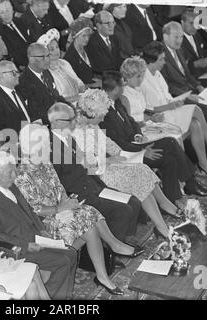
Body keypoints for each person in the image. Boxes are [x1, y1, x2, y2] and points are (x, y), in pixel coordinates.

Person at [15, 123, 146, 295]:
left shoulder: (45, 163)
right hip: (44, 224)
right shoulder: (22, 174)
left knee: (87, 216)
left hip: (60, 212)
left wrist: (68, 203)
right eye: (46, 143)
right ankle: (111, 252)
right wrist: (60, 208)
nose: (49, 147)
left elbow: (59, 189)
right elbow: (33, 210)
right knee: (88, 219)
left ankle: (103, 273)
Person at [73, 89, 182, 238]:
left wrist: (128, 155)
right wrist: (109, 160)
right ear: (92, 113)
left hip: (106, 167)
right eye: (102, 115)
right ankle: (164, 219)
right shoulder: (75, 131)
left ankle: (163, 216)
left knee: (141, 169)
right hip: (94, 176)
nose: (103, 118)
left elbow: (109, 144)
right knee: (137, 176)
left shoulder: (92, 124)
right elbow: (84, 165)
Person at [0, 151, 78, 300]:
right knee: (62, 262)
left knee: (71, 253)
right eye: (10, 172)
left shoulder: (11, 186)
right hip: (17, 247)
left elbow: (30, 211)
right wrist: (26, 245)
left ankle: (60, 295)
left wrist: (41, 229)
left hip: (36, 238)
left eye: (15, 170)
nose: (15, 175)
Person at [101, 70, 207, 203]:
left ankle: (174, 199)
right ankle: (190, 181)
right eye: (123, 85)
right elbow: (116, 144)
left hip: (136, 142)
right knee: (170, 142)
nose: (124, 88)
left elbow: (131, 121)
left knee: (170, 160)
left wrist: (138, 134)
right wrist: (142, 152)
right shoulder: (103, 111)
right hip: (129, 151)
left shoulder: (117, 102)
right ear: (116, 88)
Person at [48, 102, 142, 242]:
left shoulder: (68, 138)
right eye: (71, 119)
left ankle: (124, 243)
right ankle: (113, 253)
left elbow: (85, 167)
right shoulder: (50, 147)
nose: (75, 121)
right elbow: (60, 183)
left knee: (133, 201)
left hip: (91, 185)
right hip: (78, 195)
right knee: (123, 210)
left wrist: (102, 187)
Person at [121, 55, 207, 176]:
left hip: (148, 123)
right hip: (139, 131)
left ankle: (197, 170)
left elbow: (143, 112)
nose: (141, 79)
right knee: (173, 137)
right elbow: (130, 122)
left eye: (141, 75)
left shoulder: (137, 90)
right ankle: (188, 176)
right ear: (127, 76)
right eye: (137, 76)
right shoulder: (124, 96)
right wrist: (149, 119)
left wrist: (151, 118)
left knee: (193, 125)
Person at [18, 43, 67, 124]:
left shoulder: (46, 72)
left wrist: (70, 108)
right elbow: (35, 114)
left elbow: (56, 96)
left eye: (48, 55)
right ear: (31, 59)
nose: (47, 59)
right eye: (42, 57)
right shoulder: (24, 81)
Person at [160, 21, 206, 108]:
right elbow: (167, 86)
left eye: (181, 37)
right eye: (176, 37)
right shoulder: (160, 55)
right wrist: (186, 95)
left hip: (190, 90)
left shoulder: (179, 50)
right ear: (165, 36)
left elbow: (187, 74)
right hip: (177, 97)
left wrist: (198, 86)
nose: (179, 41)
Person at [37, 28, 85, 102]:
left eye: (57, 47)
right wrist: (77, 98)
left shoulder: (65, 63)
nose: (56, 50)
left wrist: (84, 93)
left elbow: (79, 83)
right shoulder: (45, 72)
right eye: (52, 49)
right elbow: (56, 100)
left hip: (79, 101)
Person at [0, 60, 31, 133]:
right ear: (3, 75)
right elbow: (2, 129)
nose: (18, 75)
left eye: (18, 72)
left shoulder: (16, 92)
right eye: (14, 73)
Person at [0, 0, 31, 70]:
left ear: (12, 10)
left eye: (8, 10)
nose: (6, 15)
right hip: (24, 65)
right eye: (2, 12)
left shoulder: (20, 21)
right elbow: (13, 54)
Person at [86, 10, 122, 76]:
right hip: (102, 78)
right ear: (98, 25)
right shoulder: (92, 42)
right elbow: (101, 67)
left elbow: (118, 60)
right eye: (108, 23)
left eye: (113, 22)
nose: (112, 26)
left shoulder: (114, 38)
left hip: (114, 75)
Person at [64, 17, 98, 86]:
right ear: (75, 36)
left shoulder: (88, 50)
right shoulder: (69, 57)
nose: (87, 39)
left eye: (88, 35)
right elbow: (74, 84)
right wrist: (92, 85)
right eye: (83, 36)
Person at [181, 9, 207, 80]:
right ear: (182, 23)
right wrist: (196, 64)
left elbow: (203, 51)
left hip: (203, 73)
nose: (194, 27)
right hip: (191, 78)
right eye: (191, 23)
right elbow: (179, 66)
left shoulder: (197, 35)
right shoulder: (177, 39)